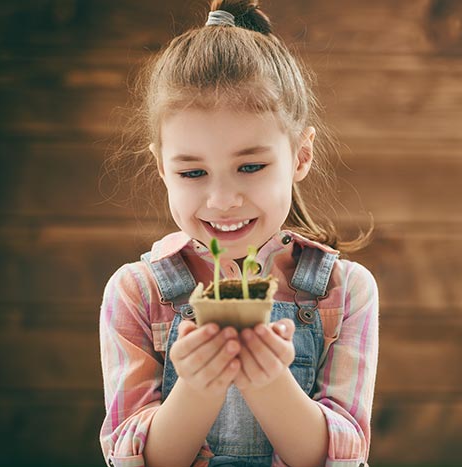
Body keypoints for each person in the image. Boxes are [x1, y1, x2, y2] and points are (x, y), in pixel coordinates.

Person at [98, 1, 379, 466]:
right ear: (161, 168)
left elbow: (340, 457)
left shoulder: (344, 291)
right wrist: (197, 385)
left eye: (250, 166)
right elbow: (133, 458)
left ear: (301, 157)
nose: (222, 199)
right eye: (192, 173)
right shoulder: (136, 292)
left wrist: (267, 379)